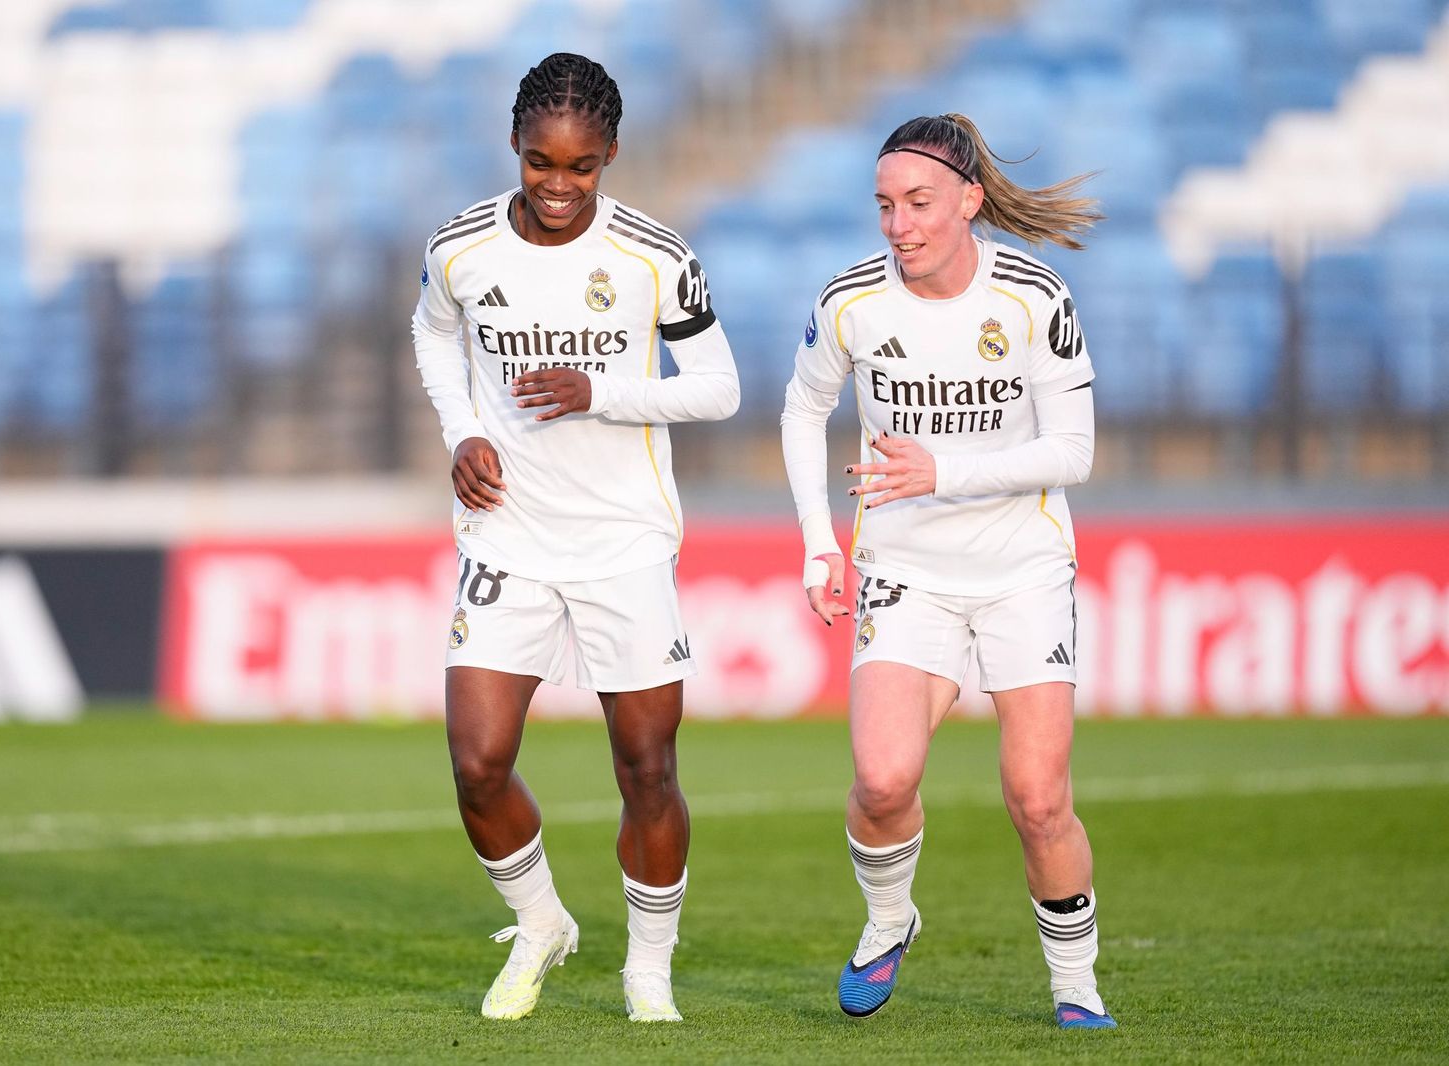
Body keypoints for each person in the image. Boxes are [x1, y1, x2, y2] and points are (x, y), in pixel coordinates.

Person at [411, 52, 740, 1023]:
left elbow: (717, 386)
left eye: (582, 167)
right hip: (505, 534)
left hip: (623, 541)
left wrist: (602, 392)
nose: (559, 186)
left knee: (646, 767)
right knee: (476, 762)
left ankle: (649, 967)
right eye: (540, 163)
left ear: (610, 157)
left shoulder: (652, 255)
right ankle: (542, 920)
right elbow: (432, 335)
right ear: (515, 147)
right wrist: (461, 430)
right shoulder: (459, 247)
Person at [779, 113, 1115, 1029]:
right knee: (883, 781)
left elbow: (1074, 452)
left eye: (919, 203)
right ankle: (890, 919)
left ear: (969, 200)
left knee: (1039, 799)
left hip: (1022, 569)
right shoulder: (851, 302)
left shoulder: (1035, 297)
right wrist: (820, 540)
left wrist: (943, 472)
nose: (900, 225)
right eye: (885, 206)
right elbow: (803, 411)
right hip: (906, 570)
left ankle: (1075, 984)